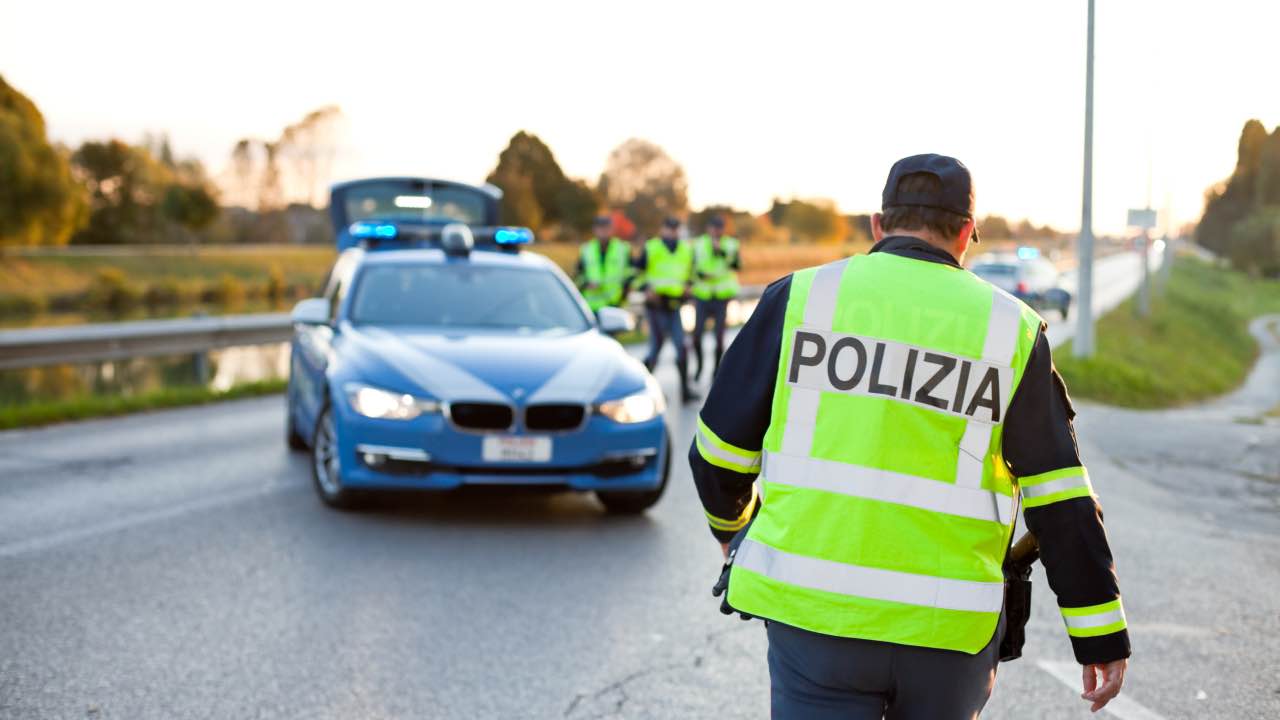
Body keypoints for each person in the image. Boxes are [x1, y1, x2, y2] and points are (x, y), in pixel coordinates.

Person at [689, 154, 1130, 719]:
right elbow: (1059, 497)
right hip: (947, 634)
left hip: (816, 621)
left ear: (878, 223)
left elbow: (718, 453)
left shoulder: (801, 299)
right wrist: (1099, 633)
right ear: (968, 233)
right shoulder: (1011, 330)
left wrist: (732, 530)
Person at [635, 216, 699, 403]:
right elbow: (635, 273)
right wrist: (645, 289)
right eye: (669, 229)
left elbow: (692, 274)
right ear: (662, 229)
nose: (672, 232)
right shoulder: (651, 247)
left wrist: (689, 288)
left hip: (675, 306)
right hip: (656, 306)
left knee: (682, 347)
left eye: (675, 229)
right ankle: (642, 389)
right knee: (656, 349)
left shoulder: (686, 250)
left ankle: (685, 392)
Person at [690, 215, 741, 381]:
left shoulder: (731, 244)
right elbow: (691, 267)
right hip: (702, 295)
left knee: (719, 338)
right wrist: (698, 276)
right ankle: (699, 367)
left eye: (720, 228)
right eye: (714, 227)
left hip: (721, 296)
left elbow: (737, 266)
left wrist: (721, 252)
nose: (717, 231)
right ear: (708, 228)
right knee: (697, 335)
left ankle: (715, 371)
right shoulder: (698, 244)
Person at [575, 215, 633, 313]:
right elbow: (578, 276)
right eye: (600, 228)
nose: (603, 231)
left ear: (612, 229)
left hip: (615, 304)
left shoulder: (623, 249)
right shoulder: (587, 249)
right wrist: (586, 284)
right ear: (594, 229)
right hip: (592, 306)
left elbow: (630, 275)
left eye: (606, 228)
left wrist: (624, 297)